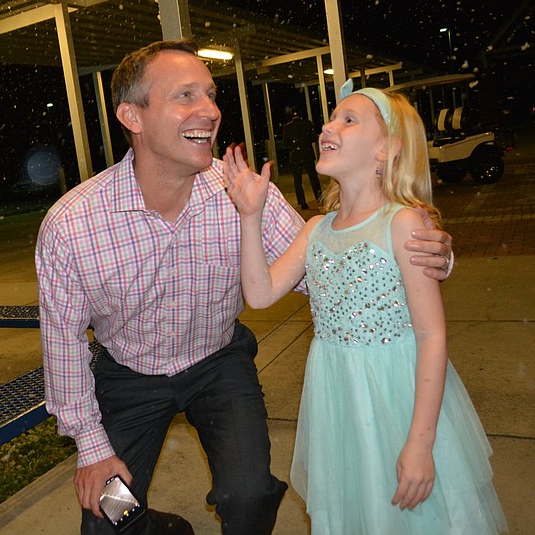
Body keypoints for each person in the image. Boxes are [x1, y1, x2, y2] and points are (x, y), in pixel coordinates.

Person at [35, 39, 455, 535]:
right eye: (185, 96)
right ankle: (159, 528)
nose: (210, 110)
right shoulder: (73, 224)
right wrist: (92, 447)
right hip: (128, 376)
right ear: (133, 116)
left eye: (210, 95)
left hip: (219, 363)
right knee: (109, 516)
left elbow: (327, 268)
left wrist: (423, 257)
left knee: (250, 494)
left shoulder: (243, 192)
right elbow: (62, 345)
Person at [223, 81, 507, 534]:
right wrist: (250, 215)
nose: (327, 126)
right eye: (331, 117)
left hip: (397, 394)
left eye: (348, 120)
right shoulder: (315, 229)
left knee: (414, 516)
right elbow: (258, 294)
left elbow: (432, 335)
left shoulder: (403, 223)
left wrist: (420, 441)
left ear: (387, 149)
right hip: (338, 397)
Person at [282, 106, 322, 210]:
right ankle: (319, 198)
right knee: (313, 178)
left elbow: (285, 143)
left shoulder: (287, 127)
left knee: (298, 181)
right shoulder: (307, 124)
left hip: (295, 156)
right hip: (307, 154)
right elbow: (313, 138)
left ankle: (303, 202)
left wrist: (295, 144)